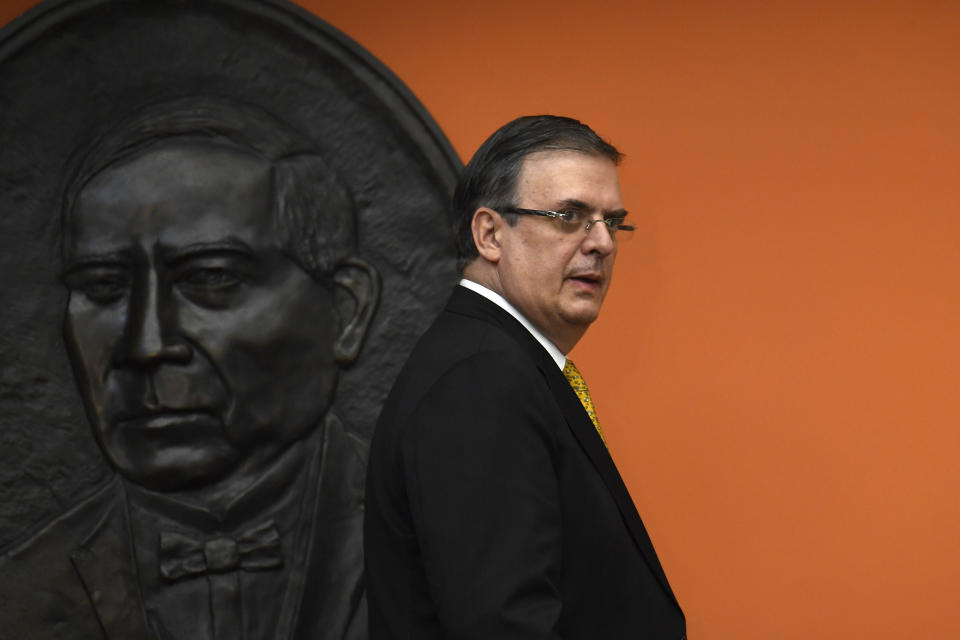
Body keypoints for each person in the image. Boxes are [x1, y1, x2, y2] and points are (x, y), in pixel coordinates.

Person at [0, 97, 379, 640]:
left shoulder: (449, 543)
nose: (146, 345)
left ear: (346, 312)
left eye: (212, 278)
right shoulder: (19, 592)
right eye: (104, 287)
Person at [365, 115, 686, 639]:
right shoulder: (481, 380)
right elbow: (506, 625)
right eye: (569, 216)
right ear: (490, 233)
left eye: (613, 221)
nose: (602, 243)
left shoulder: (497, 362)